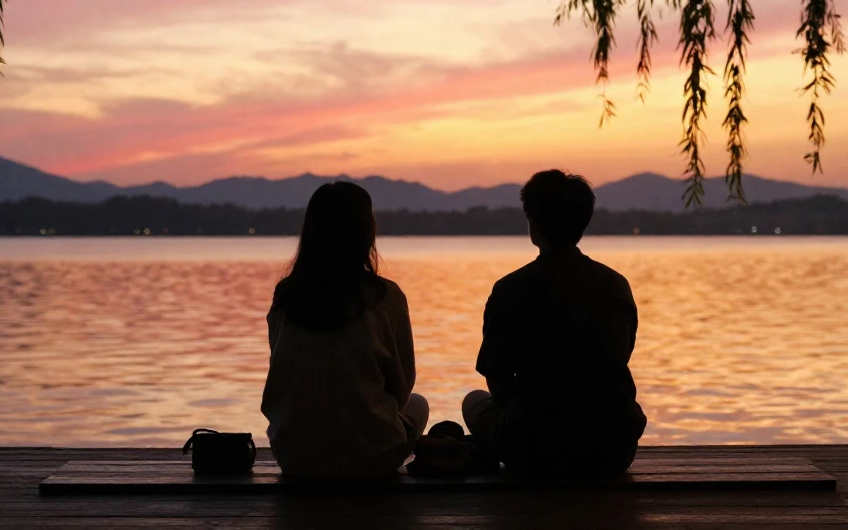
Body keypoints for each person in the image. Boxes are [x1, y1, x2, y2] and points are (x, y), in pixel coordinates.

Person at [462, 169, 646, 476]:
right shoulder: (616, 285)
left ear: (533, 222)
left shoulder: (511, 288)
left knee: (474, 402)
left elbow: (498, 380)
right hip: (613, 449)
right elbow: (618, 358)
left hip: (537, 451)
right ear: (583, 222)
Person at [261, 181, 429, 478]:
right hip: (371, 458)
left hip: (296, 458)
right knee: (418, 405)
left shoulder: (286, 296)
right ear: (366, 233)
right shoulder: (384, 297)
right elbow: (402, 389)